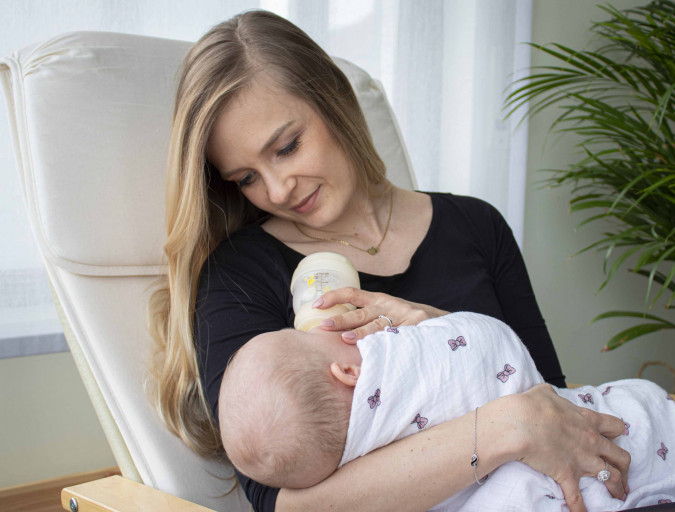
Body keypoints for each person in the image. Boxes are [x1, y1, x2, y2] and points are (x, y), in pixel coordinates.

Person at [149, 9, 632, 512]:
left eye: (287, 147)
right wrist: (498, 431)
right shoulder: (239, 274)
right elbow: (285, 506)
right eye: (245, 178)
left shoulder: (476, 225)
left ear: (335, 103)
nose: (275, 190)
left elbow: (551, 397)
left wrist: (439, 328)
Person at [219, 312, 675, 510]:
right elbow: (488, 344)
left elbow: (534, 377)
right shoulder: (382, 361)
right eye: (304, 335)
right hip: (642, 433)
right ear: (346, 374)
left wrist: (422, 321)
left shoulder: (476, 224)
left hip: (573, 432)